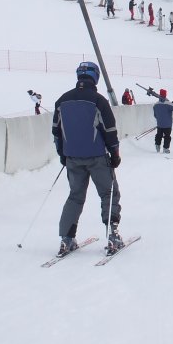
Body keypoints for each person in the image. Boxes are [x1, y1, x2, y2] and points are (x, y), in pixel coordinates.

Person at [52, 61, 124, 256]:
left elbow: (56, 132)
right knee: (108, 194)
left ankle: (66, 239)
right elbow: (110, 130)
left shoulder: (62, 100)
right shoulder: (98, 101)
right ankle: (113, 236)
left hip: (72, 158)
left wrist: (62, 154)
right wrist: (115, 153)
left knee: (75, 196)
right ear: (95, 76)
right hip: (97, 156)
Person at [146, 88, 173, 153]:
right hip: (167, 125)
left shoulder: (156, 105)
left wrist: (159, 120)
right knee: (167, 136)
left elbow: (155, 115)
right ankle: (165, 148)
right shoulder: (168, 104)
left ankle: (157, 146)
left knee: (159, 135)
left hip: (159, 124)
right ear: (165, 95)